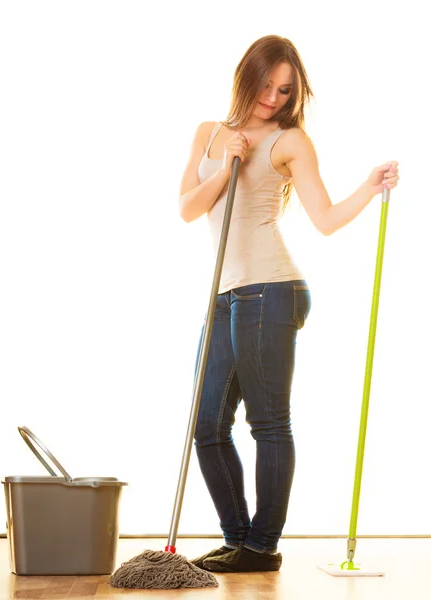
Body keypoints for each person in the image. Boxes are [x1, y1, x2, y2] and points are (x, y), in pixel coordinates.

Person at [178, 34, 400, 573]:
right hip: (225, 295)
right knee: (206, 424)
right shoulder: (210, 134)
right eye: (266, 85)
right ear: (245, 75)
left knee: (268, 424)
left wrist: (370, 188)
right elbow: (187, 209)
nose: (274, 98)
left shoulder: (290, 141)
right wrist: (229, 164)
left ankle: (261, 546)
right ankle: (238, 539)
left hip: (272, 290)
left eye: (285, 90)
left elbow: (323, 220)